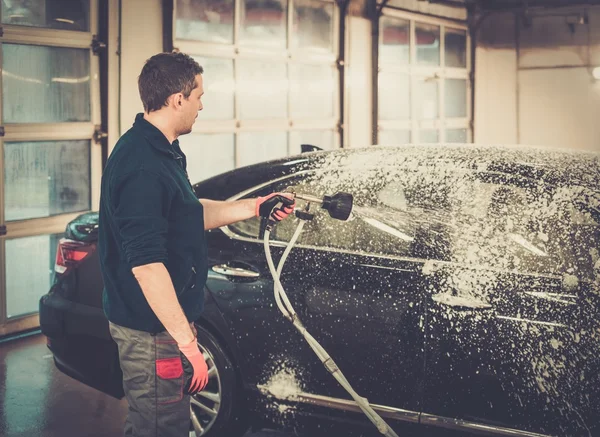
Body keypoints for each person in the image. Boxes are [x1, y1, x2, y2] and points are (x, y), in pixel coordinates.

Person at [98, 51, 295, 437]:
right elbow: (147, 266)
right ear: (177, 100)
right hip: (152, 333)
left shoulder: (161, 149)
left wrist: (256, 205)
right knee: (162, 427)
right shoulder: (142, 166)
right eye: (198, 95)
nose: (202, 104)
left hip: (164, 327)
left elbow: (189, 211)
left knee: (154, 422)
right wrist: (188, 344)